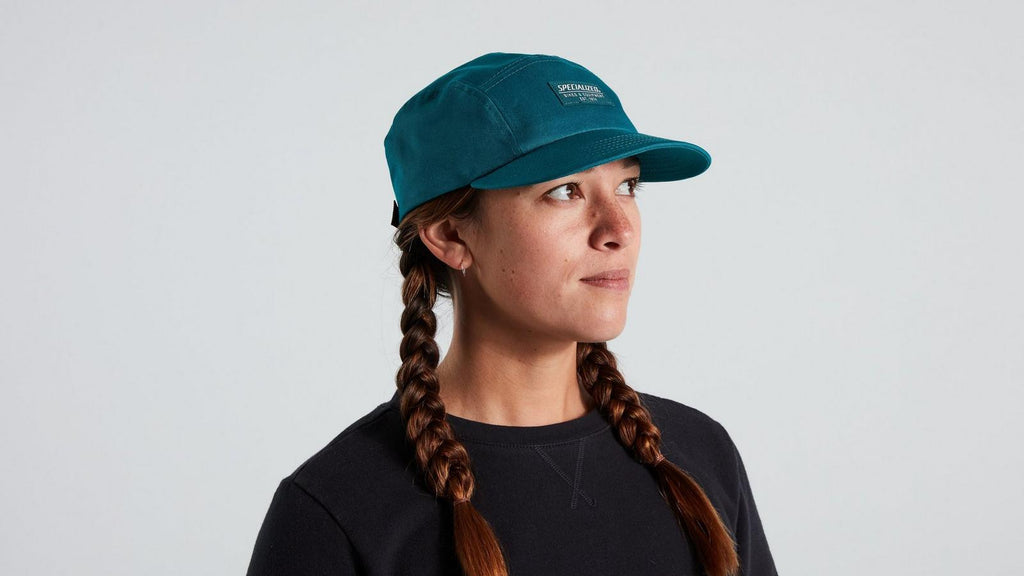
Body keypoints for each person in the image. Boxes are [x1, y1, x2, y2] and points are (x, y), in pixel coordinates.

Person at [245, 52, 778, 576]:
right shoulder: (335, 512)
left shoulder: (701, 456)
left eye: (627, 186)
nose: (618, 229)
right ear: (450, 235)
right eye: (565, 191)